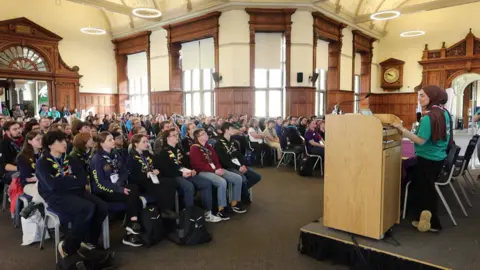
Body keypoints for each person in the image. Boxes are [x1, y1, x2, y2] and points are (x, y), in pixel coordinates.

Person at [36, 131, 108, 258]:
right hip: (55, 197)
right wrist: (71, 180)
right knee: (86, 208)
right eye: (60, 141)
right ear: (50, 145)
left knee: (102, 206)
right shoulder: (43, 163)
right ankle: (68, 246)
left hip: (75, 191)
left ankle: (89, 240)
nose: (65, 143)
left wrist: (65, 181)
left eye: (65, 140)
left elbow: (81, 180)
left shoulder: (70, 159)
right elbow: (52, 186)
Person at [392, 85, 452, 233]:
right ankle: (423, 217)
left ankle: (432, 223)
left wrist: (402, 130)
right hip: (438, 157)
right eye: (419, 95)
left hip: (428, 158)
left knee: (426, 191)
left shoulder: (429, 117)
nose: (419, 99)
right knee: (426, 189)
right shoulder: (443, 112)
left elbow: (420, 141)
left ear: (432, 96)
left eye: (423, 96)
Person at [90, 132, 143, 247]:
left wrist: (120, 183)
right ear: (102, 143)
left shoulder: (115, 154)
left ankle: (131, 227)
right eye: (109, 140)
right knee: (133, 196)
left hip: (118, 186)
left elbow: (124, 171)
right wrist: (118, 189)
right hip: (104, 191)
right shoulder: (97, 158)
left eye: (112, 139)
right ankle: (131, 228)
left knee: (133, 189)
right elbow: (99, 183)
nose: (113, 141)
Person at [156, 128, 221, 222]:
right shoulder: (163, 152)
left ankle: (207, 212)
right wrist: (181, 174)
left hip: (186, 172)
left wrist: (192, 170)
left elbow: (187, 162)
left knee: (206, 183)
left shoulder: (178, 149)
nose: (177, 136)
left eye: (177, 134)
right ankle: (189, 216)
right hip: (175, 176)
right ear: (167, 138)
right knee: (189, 186)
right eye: (174, 135)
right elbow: (166, 170)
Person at [190, 128, 247, 219]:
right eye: (203, 133)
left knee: (237, 178)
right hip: (202, 171)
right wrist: (214, 171)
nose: (206, 134)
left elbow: (216, 160)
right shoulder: (194, 148)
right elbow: (199, 165)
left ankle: (235, 203)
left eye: (205, 132)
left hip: (215, 169)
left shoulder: (209, 146)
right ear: (198, 137)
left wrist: (219, 168)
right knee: (221, 182)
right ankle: (221, 208)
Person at [128, 134, 178, 219]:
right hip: (141, 181)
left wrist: (157, 170)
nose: (146, 144)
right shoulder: (132, 157)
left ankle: (168, 209)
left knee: (171, 182)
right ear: (136, 144)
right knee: (161, 186)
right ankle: (163, 210)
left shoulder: (147, 153)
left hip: (152, 178)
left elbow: (157, 163)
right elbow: (134, 174)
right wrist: (147, 174)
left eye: (147, 141)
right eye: (143, 142)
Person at [215, 122, 262, 204]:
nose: (234, 130)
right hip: (228, 167)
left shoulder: (234, 142)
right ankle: (242, 197)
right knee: (242, 179)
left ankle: (240, 192)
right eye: (232, 129)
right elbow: (224, 161)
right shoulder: (219, 144)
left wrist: (243, 165)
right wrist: (238, 167)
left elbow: (240, 155)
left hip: (238, 165)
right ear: (226, 130)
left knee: (257, 177)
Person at [17, 131, 43, 218]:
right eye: (38, 139)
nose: (41, 141)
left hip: (43, 183)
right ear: (29, 141)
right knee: (46, 192)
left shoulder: (45, 153)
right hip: (29, 185)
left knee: (49, 190)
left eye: (42, 139)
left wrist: (40, 177)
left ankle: (32, 205)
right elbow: (28, 178)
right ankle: (49, 226)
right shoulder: (23, 157)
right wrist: (43, 176)